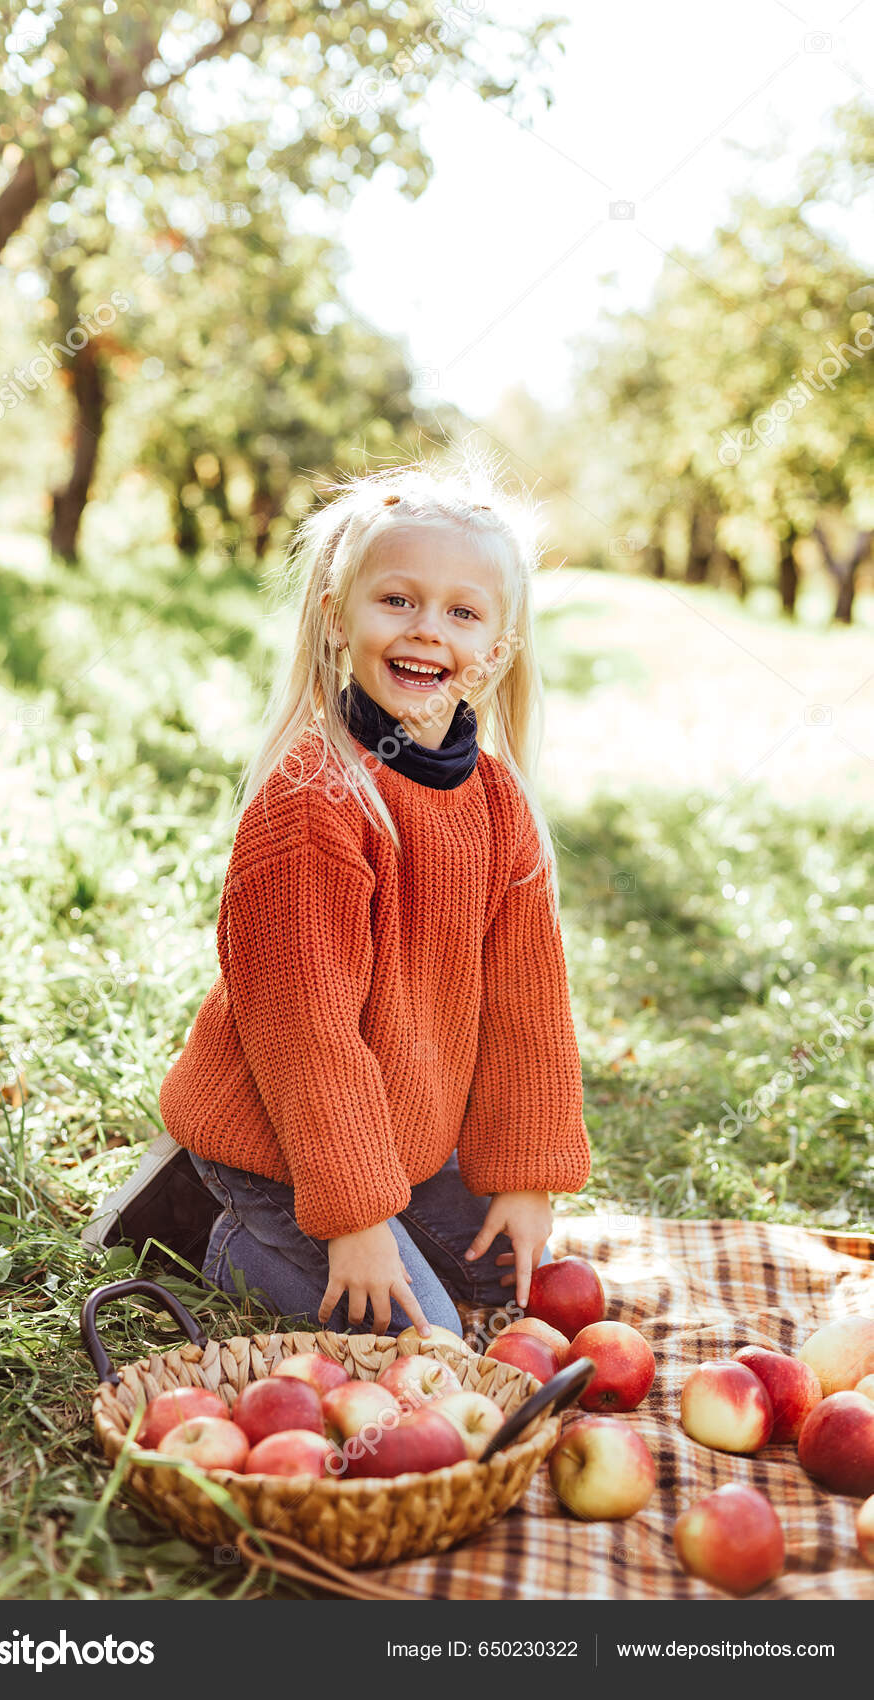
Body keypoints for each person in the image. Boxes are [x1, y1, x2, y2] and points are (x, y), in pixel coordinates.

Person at [87, 454, 591, 1339]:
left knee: (509, 1276)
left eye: (462, 613)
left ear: (497, 648)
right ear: (337, 614)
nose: (427, 630)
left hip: (400, 1141)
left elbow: (529, 1005)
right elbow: (303, 1035)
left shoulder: (499, 805)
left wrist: (523, 1174)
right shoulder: (315, 805)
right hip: (277, 1150)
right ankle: (203, 1223)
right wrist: (358, 1224)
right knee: (425, 1352)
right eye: (397, 600)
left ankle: (370, 1211)